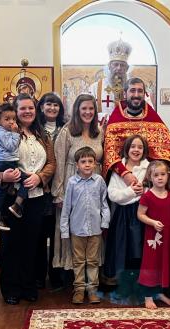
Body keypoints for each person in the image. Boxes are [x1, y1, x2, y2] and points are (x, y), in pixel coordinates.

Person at [0, 93, 56, 305]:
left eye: (31, 108)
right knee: (10, 244)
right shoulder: (3, 131)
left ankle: (29, 285)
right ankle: (11, 288)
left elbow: (51, 163)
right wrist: (0, 176)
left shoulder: (42, 134)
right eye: (22, 108)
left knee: (32, 243)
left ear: (36, 110)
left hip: (36, 196)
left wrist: (39, 177)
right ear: (15, 111)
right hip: (10, 195)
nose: (27, 112)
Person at [51, 94, 104, 271]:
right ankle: (70, 269)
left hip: (94, 184)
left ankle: (91, 270)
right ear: (77, 110)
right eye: (84, 109)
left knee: (92, 222)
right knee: (72, 224)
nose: (88, 112)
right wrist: (58, 192)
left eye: (91, 109)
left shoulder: (99, 132)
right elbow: (58, 162)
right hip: (71, 182)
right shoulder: (67, 132)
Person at [60, 146, 110, 304]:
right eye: (83, 161)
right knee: (79, 261)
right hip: (77, 229)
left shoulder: (99, 181)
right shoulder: (72, 183)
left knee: (93, 260)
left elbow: (104, 204)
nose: (87, 164)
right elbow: (66, 207)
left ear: (95, 163)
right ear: (77, 165)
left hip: (95, 229)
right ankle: (79, 290)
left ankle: (93, 290)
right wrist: (64, 230)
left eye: (90, 161)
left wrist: (105, 222)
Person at [104, 135, 149, 303]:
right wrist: (132, 192)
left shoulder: (148, 167)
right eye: (133, 147)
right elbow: (113, 194)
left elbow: (150, 191)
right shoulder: (119, 169)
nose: (136, 150)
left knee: (138, 250)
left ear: (144, 150)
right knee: (121, 248)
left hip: (142, 214)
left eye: (140, 147)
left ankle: (138, 285)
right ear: (126, 149)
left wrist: (139, 193)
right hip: (122, 215)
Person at [103, 77, 170, 181]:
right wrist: (125, 174)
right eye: (132, 90)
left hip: (150, 179)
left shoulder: (154, 121)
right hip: (121, 179)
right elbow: (110, 154)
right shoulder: (115, 121)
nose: (136, 95)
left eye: (140, 91)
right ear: (125, 94)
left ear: (144, 94)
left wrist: (150, 176)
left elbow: (166, 153)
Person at [137, 160, 170, 309]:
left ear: (167, 176)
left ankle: (159, 292)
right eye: (156, 175)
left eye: (163, 174)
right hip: (153, 237)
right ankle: (148, 296)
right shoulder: (148, 196)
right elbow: (140, 214)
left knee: (164, 262)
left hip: (167, 236)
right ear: (150, 177)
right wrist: (153, 222)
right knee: (152, 263)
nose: (160, 178)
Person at [36, 92, 67, 290]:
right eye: (48, 104)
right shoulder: (35, 129)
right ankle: (39, 276)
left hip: (61, 186)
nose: (52, 108)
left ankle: (57, 274)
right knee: (40, 233)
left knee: (59, 233)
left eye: (56, 105)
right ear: (41, 107)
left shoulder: (66, 129)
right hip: (40, 186)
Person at [0, 103, 29, 231]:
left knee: (1, 189)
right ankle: (17, 204)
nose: (11, 122)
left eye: (13, 119)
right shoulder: (2, 133)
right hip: (5, 163)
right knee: (26, 180)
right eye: (7, 119)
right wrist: (16, 133)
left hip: (4, 162)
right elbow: (11, 146)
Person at [89, 38, 132, 122]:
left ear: (127, 68)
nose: (119, 68)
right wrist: (106, 117)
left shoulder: (134, 88)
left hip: (127, 132)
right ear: (109, 66)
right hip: (101, 131)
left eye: (122, 65)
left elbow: (146, 109)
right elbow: (87, 111)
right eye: (115, 64)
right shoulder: (95, 88)